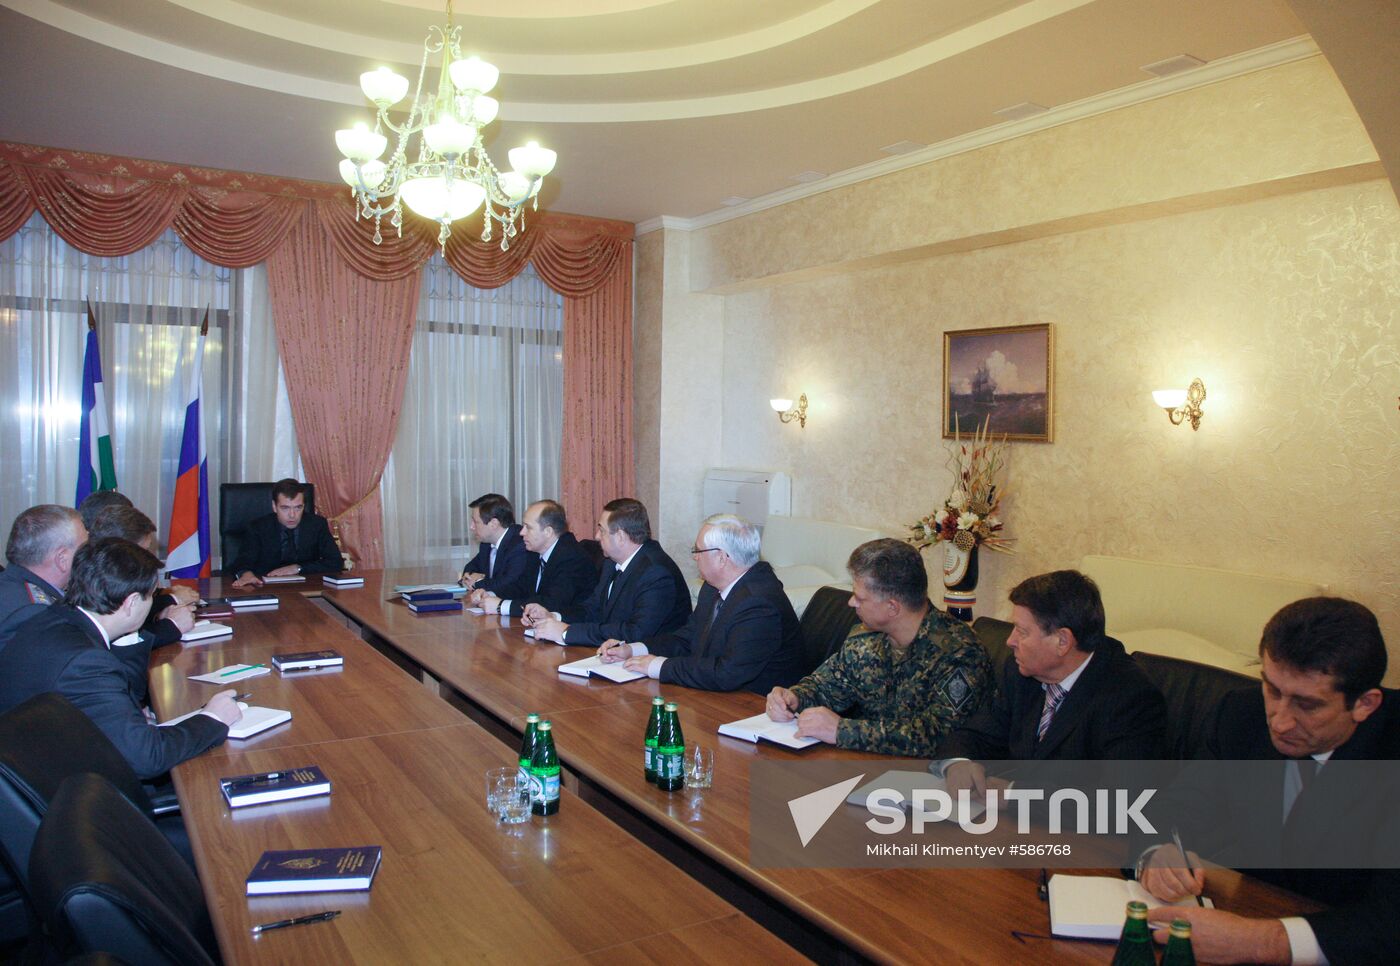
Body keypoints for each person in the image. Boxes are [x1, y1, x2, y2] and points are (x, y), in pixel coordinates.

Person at [1137, 597, 1400, 965]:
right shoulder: (1239, 714)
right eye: (1273, 690)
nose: (1279, 721)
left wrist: (1262, 942)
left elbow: (1390, 922)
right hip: (1250, 911)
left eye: (1307, 705)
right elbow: (1172, 809)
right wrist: (1156, 854)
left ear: (1365, 704)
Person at [0, 538, 241, 779]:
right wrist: (213, 718)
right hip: (80, 789)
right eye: (151, 595)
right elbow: (146, 758)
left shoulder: (54, 618)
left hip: (52, 758)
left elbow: (127, 696)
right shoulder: (86, 662)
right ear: (132, 602)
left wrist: (128, 631)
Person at [936, 570, 1168, 798]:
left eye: (1022, 632)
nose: (1010, 641)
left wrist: (1014, 795)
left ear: (1062, 641)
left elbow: (1122, 800)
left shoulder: (1129, 698)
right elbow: (980, 733)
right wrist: (958, 762)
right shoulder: (1021, 672)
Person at [764, 538, 991, 756]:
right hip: (861, 765)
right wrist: (793, 697)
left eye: (860, 598)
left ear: (892, 607)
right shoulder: (865, 638)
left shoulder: (958, 652)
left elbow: (940, 736)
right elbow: (826, 686)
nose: (851, 602)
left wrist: (843, 731)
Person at [597, 514, 800, 692]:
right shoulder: (712, 588)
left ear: (721, 557)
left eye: (698, 551)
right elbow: (687, 639)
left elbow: (727, 673)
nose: (695, 558)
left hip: (754, 707)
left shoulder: (759, 603)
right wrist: (633, 650)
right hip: (717, 695)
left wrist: (659, 667)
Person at [527, 498, 689, 646]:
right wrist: (554, 617)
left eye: (602, 530)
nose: (597, 536)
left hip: (649, 663)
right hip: (614, 655)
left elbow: (635, 632)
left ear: (620, 536)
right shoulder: (611, 562)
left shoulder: (656, 573)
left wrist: (566, 632)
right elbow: (592, 608)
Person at [87, 504, 198, 698]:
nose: (150, 558)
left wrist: (166, 603)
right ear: (123, 551)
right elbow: (119, 643)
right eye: (145, 550)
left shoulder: (93, 570)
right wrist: (171, 626)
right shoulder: (97, 584)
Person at [472, 500, 594, 618]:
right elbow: (520, 587)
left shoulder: (572, 557)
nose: (521, 532)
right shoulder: (535, 552)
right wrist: (490, 594)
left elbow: (552, 602)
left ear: (548, 531)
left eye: (528, 527)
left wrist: (500, 606)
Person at [0, 504, 87, 647]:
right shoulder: (38, 615)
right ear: (62, 559)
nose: (88, 556)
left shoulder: (9, 584)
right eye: (84, 549)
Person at [229, 478, 342, 587]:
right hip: (266, 588)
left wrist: (298, 568)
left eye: (298, 508)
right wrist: (246, 574)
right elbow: (242, 562)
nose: (292, 515)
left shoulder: (316, 525)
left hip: (306, 588)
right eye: (285, 508)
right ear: (274, 506)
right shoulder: (257, 528)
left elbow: (335, 562)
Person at [459, 493, 533, 594]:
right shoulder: (486, 543)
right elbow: (471, 567)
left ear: (493, 524)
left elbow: (507, 583)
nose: (471, 527)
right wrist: (469, 576)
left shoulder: (519, 544)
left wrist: (477, 582)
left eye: (476, 522)